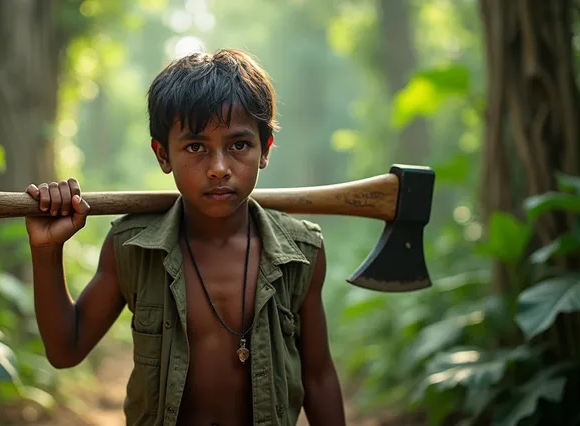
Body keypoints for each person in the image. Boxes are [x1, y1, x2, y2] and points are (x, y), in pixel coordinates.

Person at [24, 48, 346, 426]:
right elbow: (66, 350)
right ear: (163, 155)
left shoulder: (301, 252)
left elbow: (319, 376)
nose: (219, 168)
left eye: (238, 145)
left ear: (265, 150)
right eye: (196, 147)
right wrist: (47, 250)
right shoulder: (132, 247)